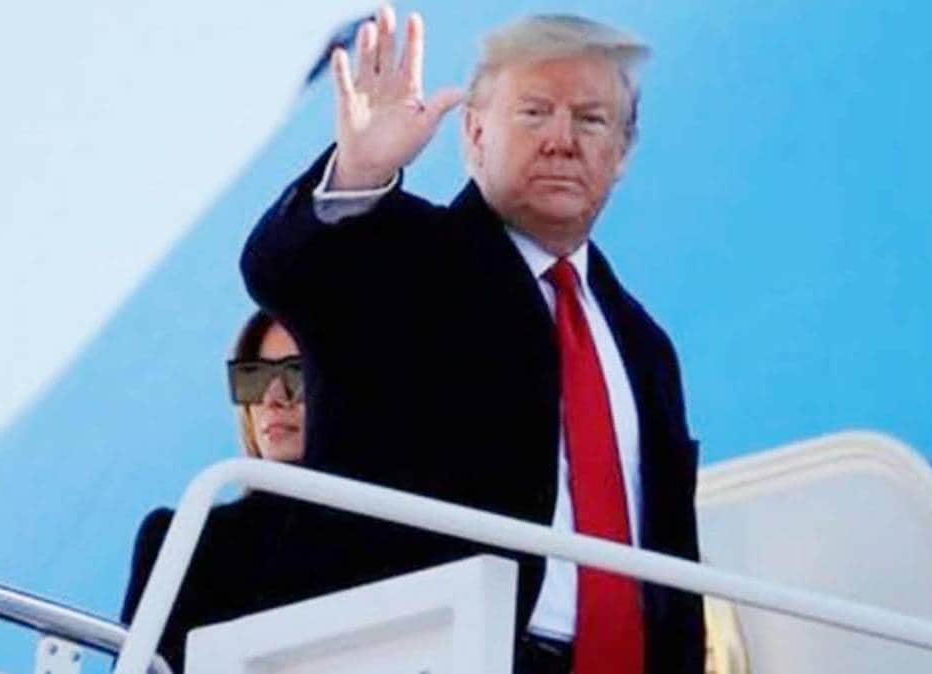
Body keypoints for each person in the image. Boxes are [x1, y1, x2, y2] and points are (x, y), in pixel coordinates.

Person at [241, 8, 704, 674]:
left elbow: (669, 554)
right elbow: (281, 271)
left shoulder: (644, 346)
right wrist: (359, 170)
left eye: (591, 120)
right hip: (446, 653)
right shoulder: (403, 259)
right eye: (534, 112)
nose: (561, 140)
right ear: (475, 132)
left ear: (623, 153)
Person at [119, 310, 306, 673]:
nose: (272, 397)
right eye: (254, 377)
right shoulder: (183, 539)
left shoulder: (399, 522)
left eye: (296, 374)